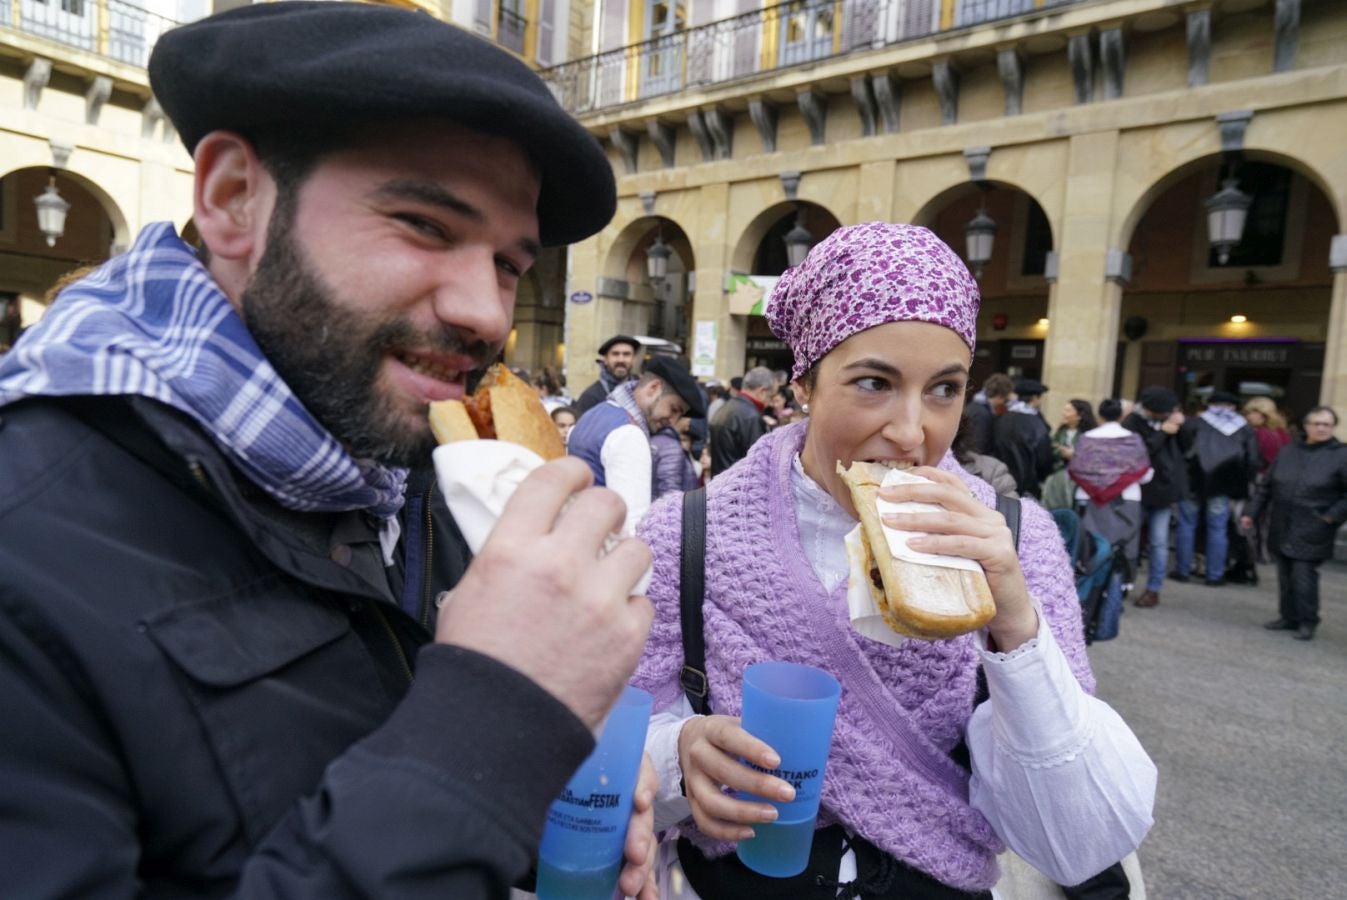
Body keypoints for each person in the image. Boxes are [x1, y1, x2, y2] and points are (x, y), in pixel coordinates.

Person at [0, 4, 661, 896]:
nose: (488, 314)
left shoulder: (403, 467)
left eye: (511, 264)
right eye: (426, 224)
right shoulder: (24, 545)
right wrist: (495, 727)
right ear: (235, 197)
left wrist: (523, 787)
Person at [631, 223, 1155, 898]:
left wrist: (1016, 625)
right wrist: (677, 756)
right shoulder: (683, 533)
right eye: (873, 382)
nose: (913, 433)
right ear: (805, 385)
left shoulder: (1015, 538)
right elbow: (612, 740)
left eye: (943, 389)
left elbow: (1078, 837)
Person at [568, 354, 705, 534]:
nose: (673, 421)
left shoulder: (595, 413)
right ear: (654, 388)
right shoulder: (630, 434)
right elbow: (632, 526)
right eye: (674, 409)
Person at [1242, 406, 1347, 641]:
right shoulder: (1288, 451)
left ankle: (1308, 620)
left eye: (1327, 424)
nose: (1321, 428)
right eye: (1316, 423)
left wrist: (1330, 517)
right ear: (1306, 426)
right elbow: (1266, 485)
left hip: (1314, 523)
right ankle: (1288, 616)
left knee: (1303, 574)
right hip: (1282, 521)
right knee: (1285, 573)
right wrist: (1252, 511)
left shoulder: (1341, 455)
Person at [1068, 398, 1153, 636]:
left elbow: (1074, 468)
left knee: (1091, 547)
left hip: (1088, 499)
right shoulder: (1133, 440)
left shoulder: (1087, 439)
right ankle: (1118, 593)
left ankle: (1087, 591)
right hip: (1126, 500)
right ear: (1121, 416)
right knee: (1123, 548)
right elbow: (1145, 474)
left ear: (1101, 414)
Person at [1172, 390, 1260, 586]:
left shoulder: (1193, 423)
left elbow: (1181, 450)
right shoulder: (1244, 428)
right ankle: (1215, 575)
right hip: (1223, 485)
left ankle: (1183, 570)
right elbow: (1252, 459)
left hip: (1192, 482)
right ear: (1234, 407)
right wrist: (1244, 485)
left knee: (1186, 524)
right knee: (1218, 528)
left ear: (1209, 404)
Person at [1122, 386, 1188, 607]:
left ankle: (1153, 589)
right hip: (1137, 490)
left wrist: (1181, 425)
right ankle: (1122, 583)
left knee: (1159, 542)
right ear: (1153, 411)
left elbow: (1188, 448)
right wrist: (1163, 433)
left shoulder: (1173, 422)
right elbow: (1139, 451)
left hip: (1164, 491)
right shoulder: (1133, 422)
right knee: (1128, 539)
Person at [1242, 395, 1293, 565]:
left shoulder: (1260, 434)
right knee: (1267, 520)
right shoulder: (1283, 433)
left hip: (1261, 478)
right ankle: (1266, 553)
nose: (1248, 416)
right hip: (1280, 480)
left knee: (1254, 518)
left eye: (1252, 412)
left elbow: (1255, 460)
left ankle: (1257, 553)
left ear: (1262, 414)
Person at [992, 377, 1054, 498]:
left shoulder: (1001, 418)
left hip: (1000, 480)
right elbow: (1044, 459)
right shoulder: (1036, 424)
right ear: (1035, 398)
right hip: (1027, 485)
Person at [707, 365, 774, 477]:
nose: (770, 403)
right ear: (762, 391)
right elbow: (758, 463)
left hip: (721, 481)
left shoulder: (726, 407)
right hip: (737, 485)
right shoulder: (750, 416)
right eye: (771, 396)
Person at [1041, 398, 1097, 510]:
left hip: (1078, 483)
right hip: (1057, 479)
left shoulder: (1089, 435)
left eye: (1068, 411)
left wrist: (1074, 455)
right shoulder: (1060, 433)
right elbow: (1051, 449)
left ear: (1079, 415)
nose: (1064, 414)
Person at [575, 334, 641, 414]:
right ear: (605, 359)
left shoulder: (642, 391)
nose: (621, 360)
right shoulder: (591, 397)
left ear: (633, 359)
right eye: (615, 354)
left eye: (626, 354)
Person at [964, 372, 1012, 456]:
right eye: (1005, 400)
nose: (1003, 403)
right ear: (1000, 396)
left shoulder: (974, 405)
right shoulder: (982, 414)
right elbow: (980, 445)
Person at [651, 415, 700, 499]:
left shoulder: (655, 440)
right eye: (687, 415)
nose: (689, 420)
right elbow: (670, 493)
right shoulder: (671, 446)